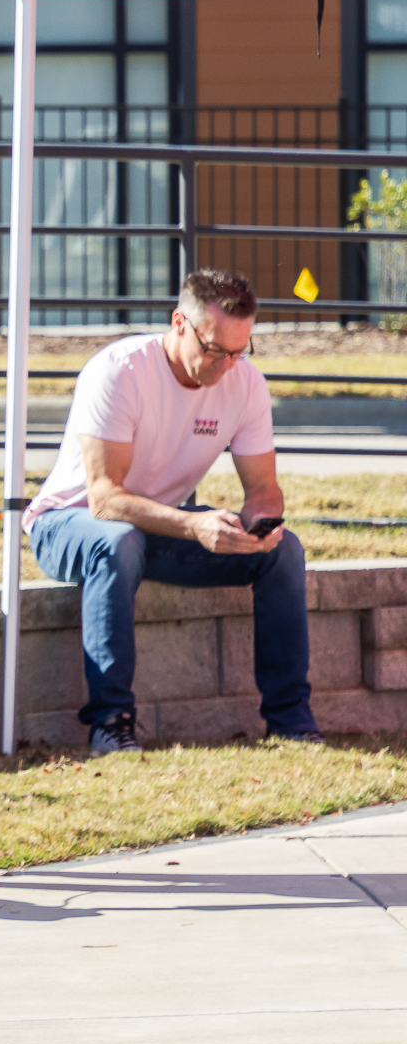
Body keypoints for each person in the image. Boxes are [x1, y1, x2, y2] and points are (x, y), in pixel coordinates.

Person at [25, 268, 318, 753]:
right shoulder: (119, 370)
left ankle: (292, 722)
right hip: (68, 523)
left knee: (284, 551)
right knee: (118, 541)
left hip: (156, 527)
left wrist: (257, 527)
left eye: (239, 352)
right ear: (179, 323)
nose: (226, 365)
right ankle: (110, 724)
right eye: (214, 350)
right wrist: (193, 524)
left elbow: (263, 490)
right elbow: (105, 498)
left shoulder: (245, 384)